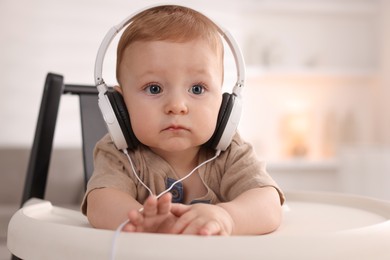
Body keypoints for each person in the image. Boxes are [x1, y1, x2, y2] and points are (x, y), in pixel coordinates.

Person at [82, 5, 285, 236]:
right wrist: (143, 222)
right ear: (120, 104)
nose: (177, 106)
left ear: (225, 102)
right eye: (154, 88)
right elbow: (100, 204)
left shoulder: (230, 153)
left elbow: (268, 207)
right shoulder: (120, 153)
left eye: (197, 89)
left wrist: (227, 217)